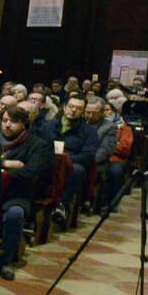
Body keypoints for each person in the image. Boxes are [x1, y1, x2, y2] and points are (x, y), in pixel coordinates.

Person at [0, 105, 53, 281]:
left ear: (23, 124)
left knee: (15, 214)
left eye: (13, 121)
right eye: (5, 120)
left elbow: (31, 171)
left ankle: (6, 261)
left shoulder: (38, 144)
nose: (7, 125)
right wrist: (5, 164)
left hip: (17, 194)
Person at [38, 93, 99, 227]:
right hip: (47, 161)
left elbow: (88, 155)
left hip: (71, 164)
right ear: (65, 107)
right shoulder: (48, 126)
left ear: (83, 112)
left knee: (77, 170)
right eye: (71, 106)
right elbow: (38, 145)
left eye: (78, 108)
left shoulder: (89, 132)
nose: (73, 110)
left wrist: (64, 160)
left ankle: (62, 206)